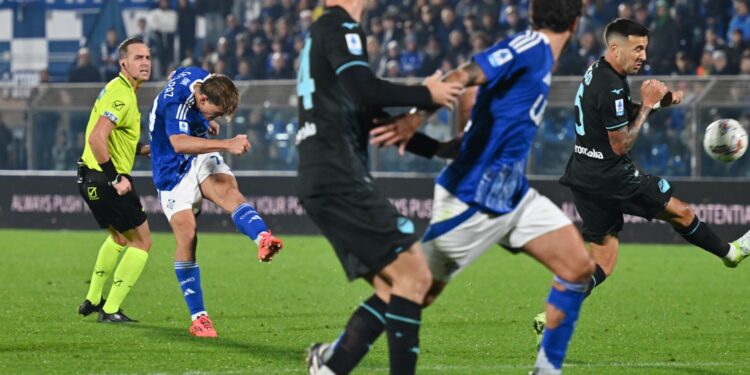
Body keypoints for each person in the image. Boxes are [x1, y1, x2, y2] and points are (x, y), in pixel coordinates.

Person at [368, 1, 594, 374]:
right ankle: (335, 356)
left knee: (577, 267)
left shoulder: (537, 55)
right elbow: (460, 76)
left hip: (512, 194)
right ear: (575, 22)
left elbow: (474, 92)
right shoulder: (530, 47)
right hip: (472, 197)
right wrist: (415, 118)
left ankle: (547, 369)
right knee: (415, 289)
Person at [542, 18, 750, 338]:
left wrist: (655, 105)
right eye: (637, 48)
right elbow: (621, 144)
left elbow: (617, 111)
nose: (643, 56)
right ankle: (730, 254)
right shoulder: (611, 84)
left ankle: (553, 313)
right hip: (612, 176)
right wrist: (648, 106)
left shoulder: (598, 71)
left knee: (604, 262)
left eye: (645, 49)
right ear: (615, 48)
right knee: (680, 211)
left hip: (583, 173)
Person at [296, 0, 463, 374]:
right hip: (338, 175)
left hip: (325, 177)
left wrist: (438, 149)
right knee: (416, 277)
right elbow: (364, 89)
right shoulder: (339, 25)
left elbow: (368, 114)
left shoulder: (326, 31)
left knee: (396, 289)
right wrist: (426, 93)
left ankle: (330, 366)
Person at [148, 66, 283, 338]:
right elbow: (179, 143)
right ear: (203, 100)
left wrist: (203, 121)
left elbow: (175, 73)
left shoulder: (202, 78)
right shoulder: (176, 104)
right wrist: (226, 143)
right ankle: (199, 318)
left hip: (198, 154)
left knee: (228, 191)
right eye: (216, 113)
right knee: (187, 234)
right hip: (171, 169)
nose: (218, 117)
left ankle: (263, 239)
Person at [77, 37, 153, 323]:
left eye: (147, 57)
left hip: (88, 178)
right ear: (124, 63)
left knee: (119, 237)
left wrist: (139, 149)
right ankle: (110, 310)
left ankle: (94, 298)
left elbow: (111, 136)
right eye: (138, 58)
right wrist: (116, 177)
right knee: (142, 242)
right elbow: (97, 137)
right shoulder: (122, 95)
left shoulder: (116, 89)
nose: (145, 62)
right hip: (105, 179)